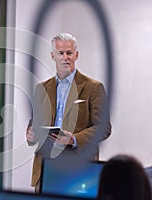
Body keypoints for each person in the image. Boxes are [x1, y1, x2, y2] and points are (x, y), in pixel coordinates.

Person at [26, 33, 112, 191]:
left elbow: (103, 128)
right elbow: (35, 122)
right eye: (60, 53)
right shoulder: (42, 88)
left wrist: (73, 139)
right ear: (53, 56)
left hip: (79, 168)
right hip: (45, 167)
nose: (65, 57)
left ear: (76, 55)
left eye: (69, 53)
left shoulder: (93, 87)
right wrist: (30, 134)